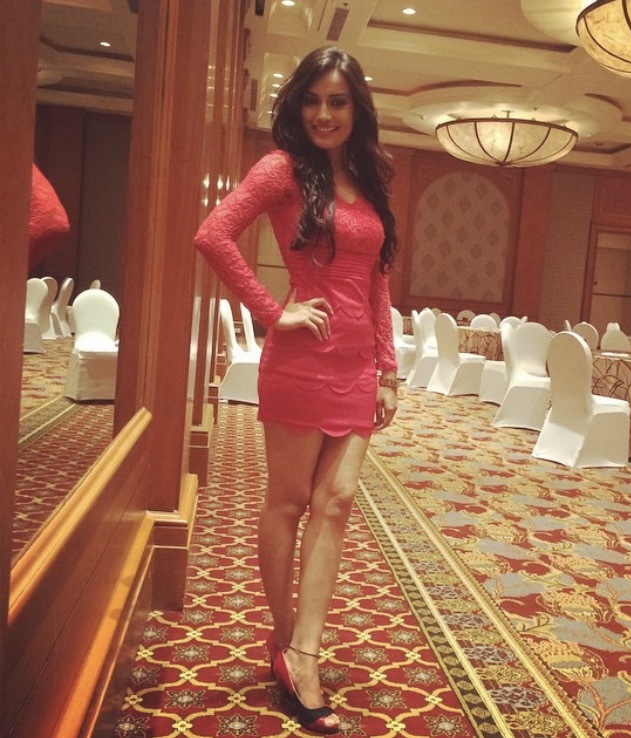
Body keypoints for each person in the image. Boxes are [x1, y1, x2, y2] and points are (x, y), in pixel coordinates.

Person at [194, 46, 398, 734]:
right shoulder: (281, 169)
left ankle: (305, 651)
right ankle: (284, 636)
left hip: (357, 368)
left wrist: (388, 370)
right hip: (301, 363)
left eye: (337, 101)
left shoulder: (369, 175)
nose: (323, 114)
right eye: (311, 100)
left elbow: (377, 281)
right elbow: (213, 234)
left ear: (356, 108)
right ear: (296, 104)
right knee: (287, 502)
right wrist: (272, 311)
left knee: (336, 503)